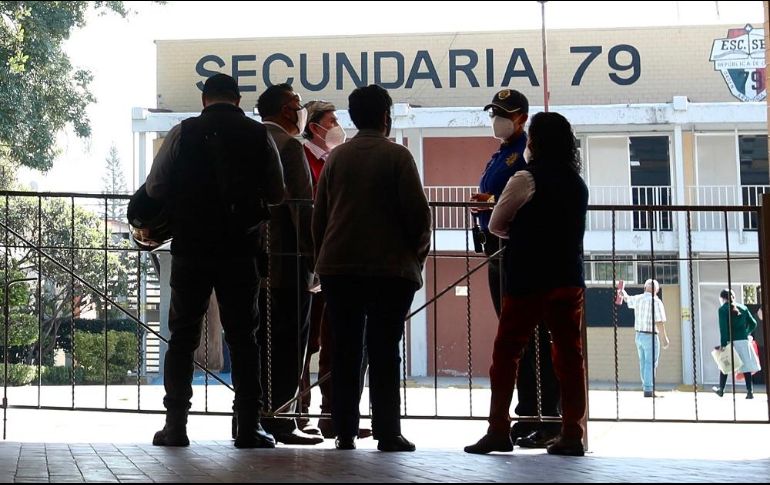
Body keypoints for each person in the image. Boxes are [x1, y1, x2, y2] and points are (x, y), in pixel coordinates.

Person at [146, 73, 284, 448]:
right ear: (238, 100)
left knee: (182, 337)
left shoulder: (182, 132)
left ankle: (176, 425)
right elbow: (277, 193)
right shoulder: (259, 135)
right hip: (241, 250)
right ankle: (248, 426)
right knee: (243, 338)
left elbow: (156, 186)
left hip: (191, 248)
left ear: (205, 99)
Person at [313, 84, 431, 451]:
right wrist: (416, 258)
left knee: (346, 350)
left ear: (353, 116)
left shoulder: (336, 159)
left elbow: (320, 218)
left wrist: (324, 259)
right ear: (385, 116)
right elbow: (418, 217)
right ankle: (387, 431)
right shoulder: (398, 157)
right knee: (384, 350)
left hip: (340, 268)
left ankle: (344, 430)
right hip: (390, 270)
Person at [465, 111, 589, 457]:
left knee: (507, 353)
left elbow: (498, 224)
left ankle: (498, 430)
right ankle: (571, 433)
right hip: (568, 278)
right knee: (569, 356)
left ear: (534, 141)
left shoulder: (525, 178)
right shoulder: (578, 184)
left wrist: (520, 233)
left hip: (528, 278)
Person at [471, 89, 561, 448]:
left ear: (522, 117)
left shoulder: (525, 154)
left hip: (515, 248)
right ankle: (527, 414)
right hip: (496, 248)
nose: (497, 119)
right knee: (516, 338)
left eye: (504, 113)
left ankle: (545, 416)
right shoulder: (502, 154)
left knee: (532, 337)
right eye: (493, 112)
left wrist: (491, 205)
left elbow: (522, 198)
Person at [296, 100, 372, 439]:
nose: (338, 125)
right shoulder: (301, 157)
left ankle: (334, 413)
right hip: (309, 260)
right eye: (332, 119)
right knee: (303, 342)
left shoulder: (337, 159)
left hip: (336, 259)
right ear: (314, 126)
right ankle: (297, 412)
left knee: (334, 341)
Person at [254, 84, 323, 446]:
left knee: (255, 345)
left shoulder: (246, 141)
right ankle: (281, 419)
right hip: (287, 264)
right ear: (285, 111)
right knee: (288, 346)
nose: (300, 112)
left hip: (250, 264)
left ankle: (250, 417)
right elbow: (302, 208)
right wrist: (316, 261)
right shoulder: (289, 147)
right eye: (297, 106)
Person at [622, 279, 670, 398]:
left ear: (644, 288)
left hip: (638, 336)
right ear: (657, 290)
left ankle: (646, 387)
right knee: (651, 363)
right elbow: (659, 322)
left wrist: (622, 292)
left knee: (643, 362)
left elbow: (627, 299)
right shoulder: (657, 302)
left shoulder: (638, 298)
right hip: (650, 336)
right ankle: (649, 390)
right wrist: (664, 339)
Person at [713, 289, 760, 399]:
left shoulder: (722, 310)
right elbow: (753, 323)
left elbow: (723, 329)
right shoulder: (743, 308)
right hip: (743, 342)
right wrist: (745, 333)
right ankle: (750, 392)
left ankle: (721, 389)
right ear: (734, 297)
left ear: (722, 298)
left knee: (724, 364)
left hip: (731, 342)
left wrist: (723, 345)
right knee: (746, 367)